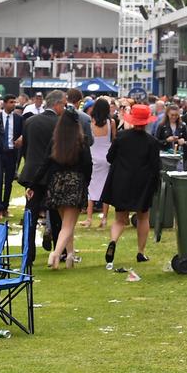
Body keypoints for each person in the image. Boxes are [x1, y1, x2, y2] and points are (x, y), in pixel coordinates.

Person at [101, 104, 162, 266]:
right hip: (143, 184)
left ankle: (113, 241)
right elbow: (156, 167)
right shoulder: (152, 142)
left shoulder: (121, 137)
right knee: (143, 218)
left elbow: (109, 157)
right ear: (147, 122)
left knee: (120, 219)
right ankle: (141, 252)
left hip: (121, 181)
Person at [30, 110, 91, 269]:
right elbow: (88, 165)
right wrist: (87, 182)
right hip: (75, 183)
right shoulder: (82, 141)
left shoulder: (55, 141)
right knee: (68, 226)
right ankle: (56, 254)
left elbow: (44, 164)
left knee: (66, 223)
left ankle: (70, 257)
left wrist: (33, 185)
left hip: (56, 184)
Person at [17, 90, 65, 264]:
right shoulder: (60, 124)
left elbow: (26, 149)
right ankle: (60, 251)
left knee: (31, 214)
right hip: (53, 175)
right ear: (57, 104)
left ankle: (28, 254)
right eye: (64, 104)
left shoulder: (30, 121)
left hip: (33, 174)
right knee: (57, 215)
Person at [82, 99, 115, 228]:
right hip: (106, 157)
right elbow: (113, 140)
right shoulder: (111, 122)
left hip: (93, 156)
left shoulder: (91, 122)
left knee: (91, 188)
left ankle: (89, 218)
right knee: (105, 188)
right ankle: (105, 218)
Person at [0, 95, 23, 218]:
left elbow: (23, 132)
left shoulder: (18, 118)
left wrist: (21, 138)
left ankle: (5, 207)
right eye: (11, 102)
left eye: (14, 102)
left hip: (12, 153)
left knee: (9, 182)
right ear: (5, 103)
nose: (14, 104)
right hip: (0, 153)